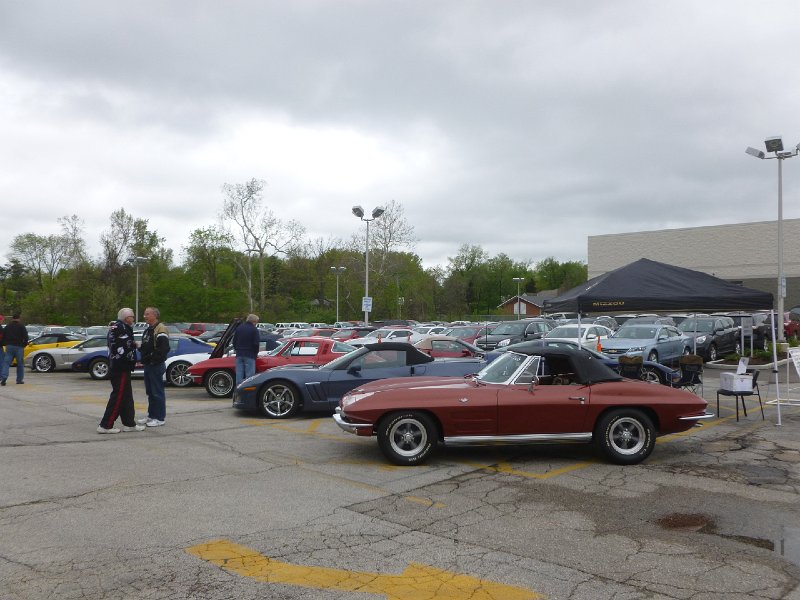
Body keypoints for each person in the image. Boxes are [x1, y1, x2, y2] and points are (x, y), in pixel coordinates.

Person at [98, 308, 144, 434]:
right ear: (126, 317)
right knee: (118, 396)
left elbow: (122, 343)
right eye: (132, 317)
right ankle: (105, 425)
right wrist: (136, 347)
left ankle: (129, 424)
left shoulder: (116, 327)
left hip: (121, 366)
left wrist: (133, 345)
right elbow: (124, 346)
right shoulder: (121, 328)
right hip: (120, 367)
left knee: (127, 397)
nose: (134, 319)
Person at [138, 306, 169, 427]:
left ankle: (160, 418)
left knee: (157, 392)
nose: (145, 316)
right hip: (148, 365)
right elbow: (146, 346)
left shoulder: (160, 329)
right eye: (144, 314)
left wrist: (153, 360)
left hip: (155, 366)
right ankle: (151, 416)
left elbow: (164, 348)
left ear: (155, 315)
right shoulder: (148, 329)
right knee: (150, 392)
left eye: (147, 314)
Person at [1, 313, 29, 385]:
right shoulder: (21, 326)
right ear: (19, 318)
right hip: (19, 347)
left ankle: (4, 377)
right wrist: (24, 345)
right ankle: (19, 380)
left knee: (6, 363)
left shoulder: (8, 326)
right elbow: (26, 337)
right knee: (20, 364)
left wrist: (5, 343)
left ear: (12, 318)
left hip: (9, 346)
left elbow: (3, 336)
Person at [233, 314, 260, 386]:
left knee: (239, 375)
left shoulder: (239, 328)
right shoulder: (254, 330)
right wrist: (255, 353)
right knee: (250, 377)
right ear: (253, 321)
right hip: (250, 355)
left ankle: (238, 390)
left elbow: (234, 341)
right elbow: (256, 344)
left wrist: (237, 350)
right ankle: (248, 392)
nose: (256, 324)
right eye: (256, 322)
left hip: (239, 354)